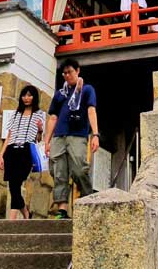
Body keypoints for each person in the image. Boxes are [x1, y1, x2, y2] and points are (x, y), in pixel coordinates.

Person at [44, 58, 99, 219]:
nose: (67, 75)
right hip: (59, 136)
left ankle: (87, 200)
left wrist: (95, 134)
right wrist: (47, 141)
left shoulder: (87, 90)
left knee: (79, 169)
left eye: (70, 72)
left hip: (78, 134)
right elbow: (53, 118)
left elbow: (91, 110)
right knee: (59, 171)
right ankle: (62, 209)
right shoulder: (60, 94)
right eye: (65, 73)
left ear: (78, 71)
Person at [0, 85, 47, 220]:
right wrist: (1, 155)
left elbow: (38, 140)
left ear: (34, 97)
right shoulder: (15, 114)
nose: (26, 98)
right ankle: (26, 213)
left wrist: (40, 130)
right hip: (11, 151)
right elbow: (9, 136)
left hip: (26, 151)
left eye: (30, 95)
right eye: (24, 95)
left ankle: (12, 220)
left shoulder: (39, 115)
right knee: (13, 186)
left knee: (17, 184)